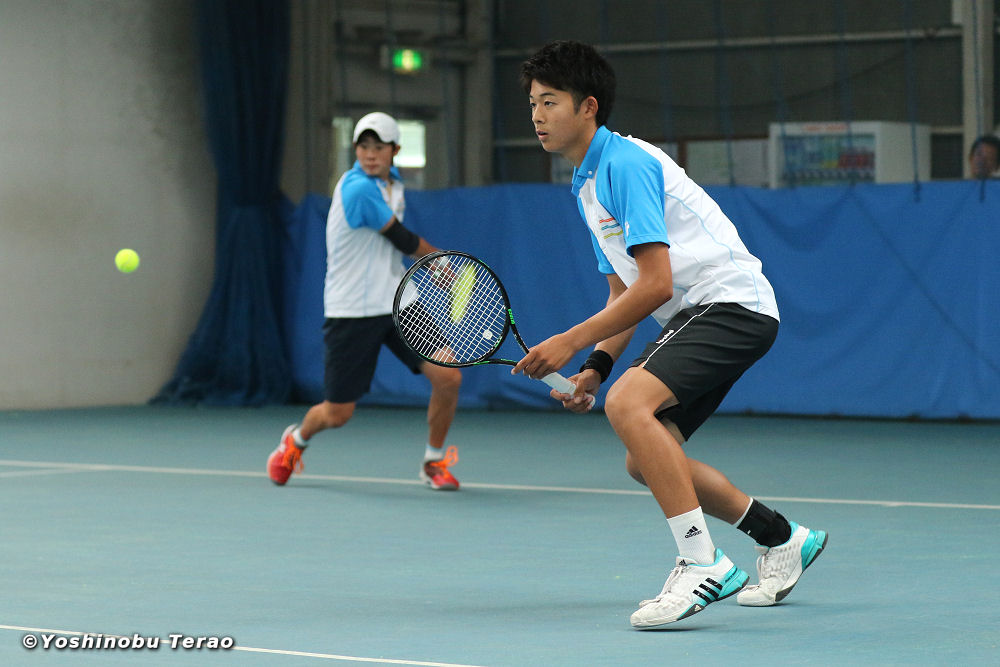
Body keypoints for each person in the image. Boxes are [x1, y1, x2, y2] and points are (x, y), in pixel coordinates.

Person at [514, 41, 827, 629]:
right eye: (532, 103)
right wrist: (595, 367)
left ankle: (701, 562)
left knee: (628, 405)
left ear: (588, 106)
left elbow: (655, 286)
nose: (537, 115)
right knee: (646, 458)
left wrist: (568, 341)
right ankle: (782, 538)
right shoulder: (586, 186)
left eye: (549, 101)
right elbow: (624, 295)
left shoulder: (625, 164)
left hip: (731, 304)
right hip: (696, 315)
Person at [267, 112, 464, 491]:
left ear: (395, 151)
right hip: (352, 310)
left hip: (399, 302)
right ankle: (296, 441)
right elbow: (402, 239)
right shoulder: (357, 188)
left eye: (379, 147)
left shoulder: (394, 184)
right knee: (337, 413)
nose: (370, 154)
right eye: (363, 147)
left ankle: (433, 462)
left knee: (448, 377)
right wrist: (438, 263)